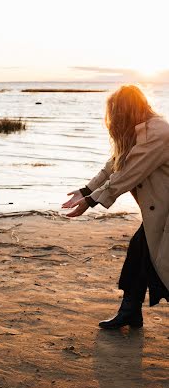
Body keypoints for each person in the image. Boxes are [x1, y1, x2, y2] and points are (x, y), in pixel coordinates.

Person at [63, 85, 169, 328]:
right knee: (139, 254)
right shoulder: (141, 131)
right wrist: (86, 190)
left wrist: (89, 202)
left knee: (160, 261)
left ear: (126, 111)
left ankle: (130, 311)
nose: (113, 119)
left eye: (116, 112)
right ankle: (130, 311)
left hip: (165, 212)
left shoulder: (158, 133)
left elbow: (127, 174)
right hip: (161, 211)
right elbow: (114, 165)